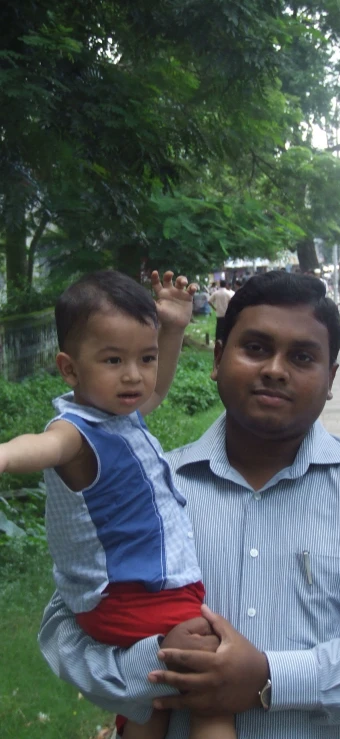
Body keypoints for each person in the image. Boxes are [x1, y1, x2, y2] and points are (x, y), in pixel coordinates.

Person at [39, 271, 340, 739]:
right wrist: (158, 662)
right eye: (256, 348)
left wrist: (270, 677)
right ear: (218, 359)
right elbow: (65, 630)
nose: (275, 370)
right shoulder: (147, 487)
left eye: (302, 357)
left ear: (330, 380)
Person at [0, 270, 235, 739]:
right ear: (69, 369)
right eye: (113, 360)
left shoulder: (121, 416)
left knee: (154, 706)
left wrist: (171, 328)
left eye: (144, 358)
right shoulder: (75, 433)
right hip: (129, 595)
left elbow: (158, 389)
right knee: (213, 688)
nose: (134, 375)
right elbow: (38, 447)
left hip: (149, 591)